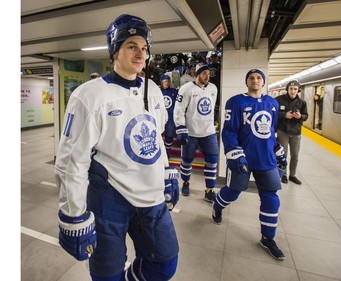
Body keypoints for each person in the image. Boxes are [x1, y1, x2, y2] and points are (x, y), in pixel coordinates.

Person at [55, 14, 180, 281]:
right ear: (115, 50)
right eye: (132, 46)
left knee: (165, 263)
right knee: (106, 275)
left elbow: (156, 137)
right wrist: (73, 213)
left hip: (150, 196)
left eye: (144, 47)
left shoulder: (154, 91)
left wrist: (167, 171)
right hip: (109, 197)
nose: (140, 53)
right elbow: (71, 161)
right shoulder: (89, 95)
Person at [211, 68, 288, 260]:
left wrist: (277, 148)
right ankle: (218, 206)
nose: (255, 80)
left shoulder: (272, 103)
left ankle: (267, 238)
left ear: (263, 82)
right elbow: (228, 131)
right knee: (233, 191)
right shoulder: (236, 102)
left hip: (266, 159)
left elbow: (271, 129)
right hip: (243, 158)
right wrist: (234, 154)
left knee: (271, 197)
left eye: (259, 77)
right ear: (247, 82)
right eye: (251, 78)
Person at [173, 63, 218, 202]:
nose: (207, 76)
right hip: (191, 133)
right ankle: (185, 182)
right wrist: (181, 127)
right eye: (204, 73)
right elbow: (179, 109)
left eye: (209, 74)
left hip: (209, 132)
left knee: (212, 161)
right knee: (186, 161)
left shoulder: (213, 88)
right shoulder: (186, 89)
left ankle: (209, 190)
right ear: (197, 74)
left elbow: (211, 108)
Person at [275, 79, 308, 185]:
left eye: (295, 89)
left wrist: (300, 117)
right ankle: (283, 174)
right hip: (282, 131)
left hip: (296, 132)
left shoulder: (302, 102)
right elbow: (273, 112)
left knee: (295, 155)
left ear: (298, 90)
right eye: (291, 89)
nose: (293, 91)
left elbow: (306, 116)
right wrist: (284, 115)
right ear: (287, 89)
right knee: (282, 154)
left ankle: (292, 175)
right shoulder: (279, 100)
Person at [160, 74, 178, 157]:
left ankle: (167, 152)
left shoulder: (174, 91)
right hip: (160, 117)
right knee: (158, 135)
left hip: (171, 117)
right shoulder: (157, 91)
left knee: (169, 135)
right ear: (161, 82)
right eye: (165, 81)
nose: (166, 83)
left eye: (168, 81)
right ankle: (159, 152)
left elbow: (178, 105)